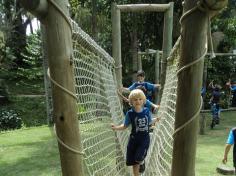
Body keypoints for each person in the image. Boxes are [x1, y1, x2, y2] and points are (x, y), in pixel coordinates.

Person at [111, 89, 160, 176]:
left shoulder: (146, 111)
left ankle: (141, 162)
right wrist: (116, 128)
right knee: (134, 162)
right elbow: (125, 126)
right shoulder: (130, 113)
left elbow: (148, 122)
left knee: (138, 158)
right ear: (131, 102)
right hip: (133, 140)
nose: (138, 101)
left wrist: (156, 119)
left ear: (143, 100)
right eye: (135, 99)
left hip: (144, 139)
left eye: (140, 99)